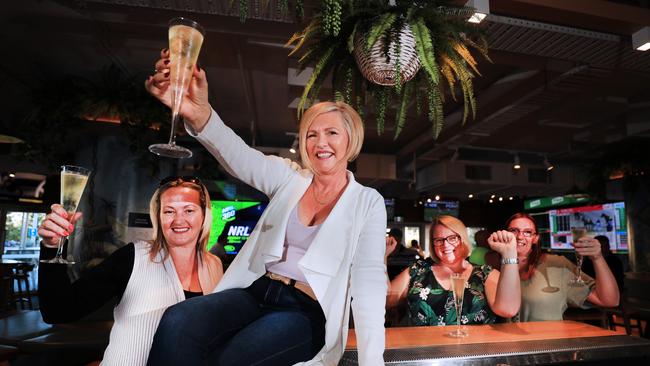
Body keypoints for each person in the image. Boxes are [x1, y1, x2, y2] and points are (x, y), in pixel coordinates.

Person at [144, 50, 387, 365]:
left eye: (331, 133)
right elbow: (240, 156)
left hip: (305, 311)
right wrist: (200, 113)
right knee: (178, 321)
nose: (320, 142)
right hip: (257, 291)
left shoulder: (367, 202)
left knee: (232, 358)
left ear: (350, 140)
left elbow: (369, 285)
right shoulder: (291, 178)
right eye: (311, 134)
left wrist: (373, 362)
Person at [37, 177, 223, 366]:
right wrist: (50, 246)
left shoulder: (214, 266)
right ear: (158, 216)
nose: (178, 220)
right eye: (169, 211)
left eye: (189, 210)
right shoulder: (134, 257)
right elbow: (57, 311)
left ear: (204, 216)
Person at [386, 215, 520, 326]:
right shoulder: (418, 270)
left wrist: (509, 254)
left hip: (472, 354)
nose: (445, 244)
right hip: (422, 353)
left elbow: (508, 310)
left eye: (452, 238)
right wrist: (383, 257)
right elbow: (385, 300)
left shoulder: (483, 274)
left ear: (463, 239)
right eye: (439, 240)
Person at [505, 213, 619, 322]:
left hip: (547, 340)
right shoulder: (493, 267)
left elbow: (609, 300)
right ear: (504, 234)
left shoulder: (556, 264)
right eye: (514, 230)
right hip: (503, 340)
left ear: (535, 238)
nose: (519, 236)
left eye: (528, 232)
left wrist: (597, 257)